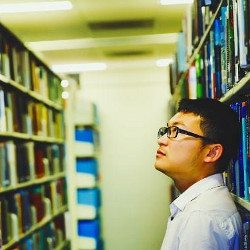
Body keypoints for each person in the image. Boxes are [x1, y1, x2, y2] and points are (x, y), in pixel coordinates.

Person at [155, 98, 242, 250]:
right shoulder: (202, 208)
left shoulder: (201, 217)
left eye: (176, 131)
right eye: (166, 130)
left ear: (212, 153)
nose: (161, 140)